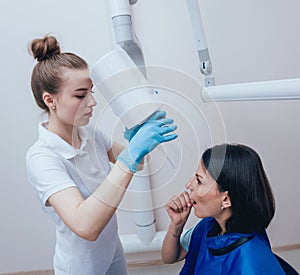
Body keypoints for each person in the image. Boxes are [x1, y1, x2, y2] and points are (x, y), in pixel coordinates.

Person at [26, 35, 177, 275]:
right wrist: (132, 154)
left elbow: (136, 164)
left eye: (91, 92)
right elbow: (85, 225)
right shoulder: (42, 158)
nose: (93, 102)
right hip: (81, 264)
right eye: (80, 95)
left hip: (112, 249)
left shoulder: (90, 134)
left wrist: (137, 137)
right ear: (50, 100)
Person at [162, 143, 287, 274]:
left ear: (226, 200)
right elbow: (170, 257)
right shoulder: (209, 226)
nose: (188, 185)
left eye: (199, 181)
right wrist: (177, 225)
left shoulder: (251, 261)